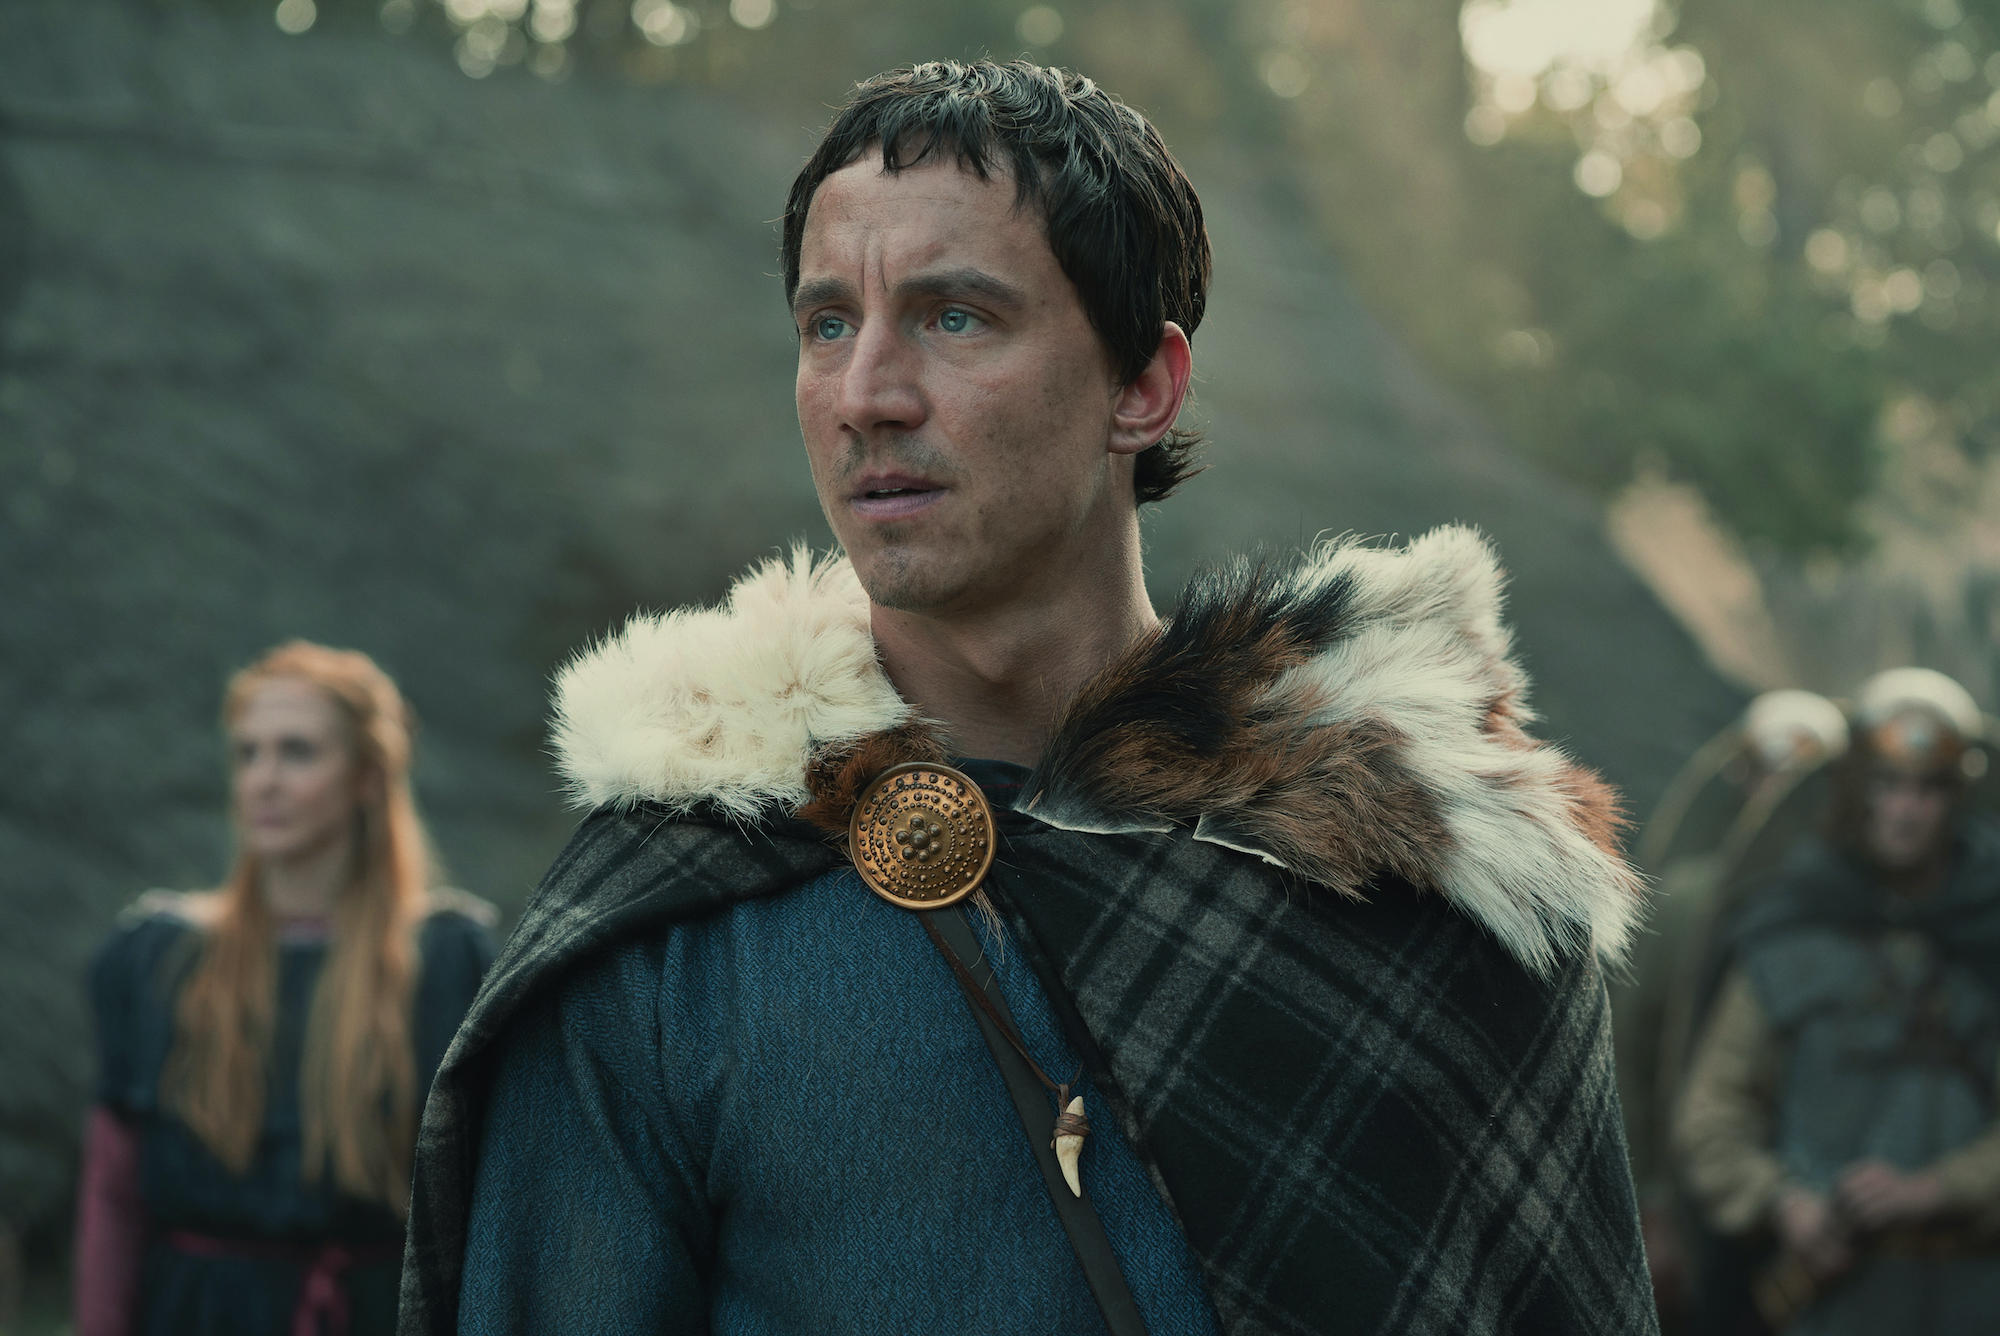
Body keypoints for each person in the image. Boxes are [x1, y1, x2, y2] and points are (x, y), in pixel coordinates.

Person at [401, 60, 1656, 1335]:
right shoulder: (670, 928)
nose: (865, 395)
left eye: (954, 317)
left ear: (1141, 385)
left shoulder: (1420, 875)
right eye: (827, 324)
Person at [73, 641, 496, 1336]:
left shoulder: (448, 962)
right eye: (248, 753)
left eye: (297, 752)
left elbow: (491, 1206)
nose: (263, 780)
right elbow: (113, 1200)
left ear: (366, 777)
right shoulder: (158, 957)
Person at [1672, 667, 2000, 1334]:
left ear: (1957, 794)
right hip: (1826, 1300)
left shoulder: (1990, 936)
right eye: (1888, 784)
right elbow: (1711, 1114)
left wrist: (1939, 1188)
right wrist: (1782, 1202)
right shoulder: (1786, 934)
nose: (1906, 810)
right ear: (1856, 790)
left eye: (1928, 789)